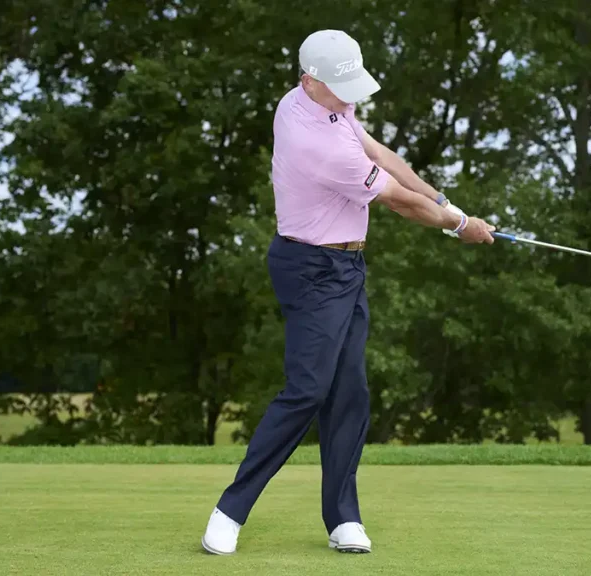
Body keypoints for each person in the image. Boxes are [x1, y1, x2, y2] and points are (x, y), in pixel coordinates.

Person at [201, 29, 495, 556]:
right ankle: (229, 511)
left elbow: (378, 151)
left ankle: (342, 518)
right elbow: (397, 201)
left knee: (350, 391)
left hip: (345, 267)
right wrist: (460, 225)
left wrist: (442, 199)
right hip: (312, 268)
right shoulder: (316, 142)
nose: (349, 97)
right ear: (308, 80)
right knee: (308, 389)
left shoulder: (314, 103)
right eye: (340, 87)